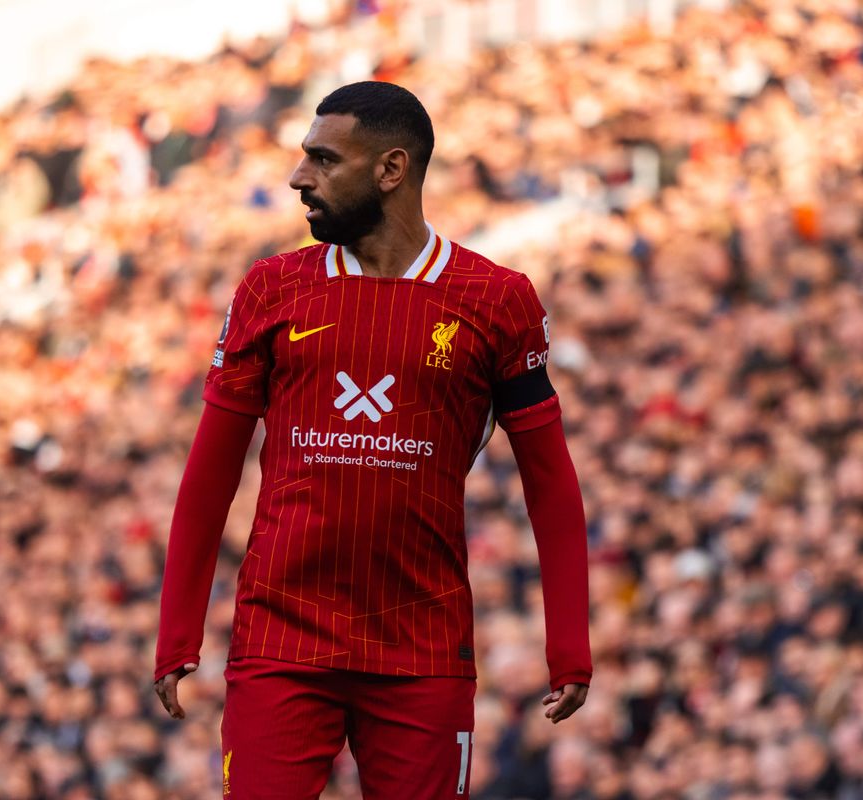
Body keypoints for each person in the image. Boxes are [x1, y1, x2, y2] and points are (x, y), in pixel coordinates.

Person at [154, 81, 591, 799]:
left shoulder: (496, 300)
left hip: (422, 649)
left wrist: (568, 643)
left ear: (391, 169)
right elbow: (209, 473)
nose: (299, 177)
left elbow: (550, 481)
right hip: (282, 640)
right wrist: (178, 629)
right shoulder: (270, 289)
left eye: (324, 160)